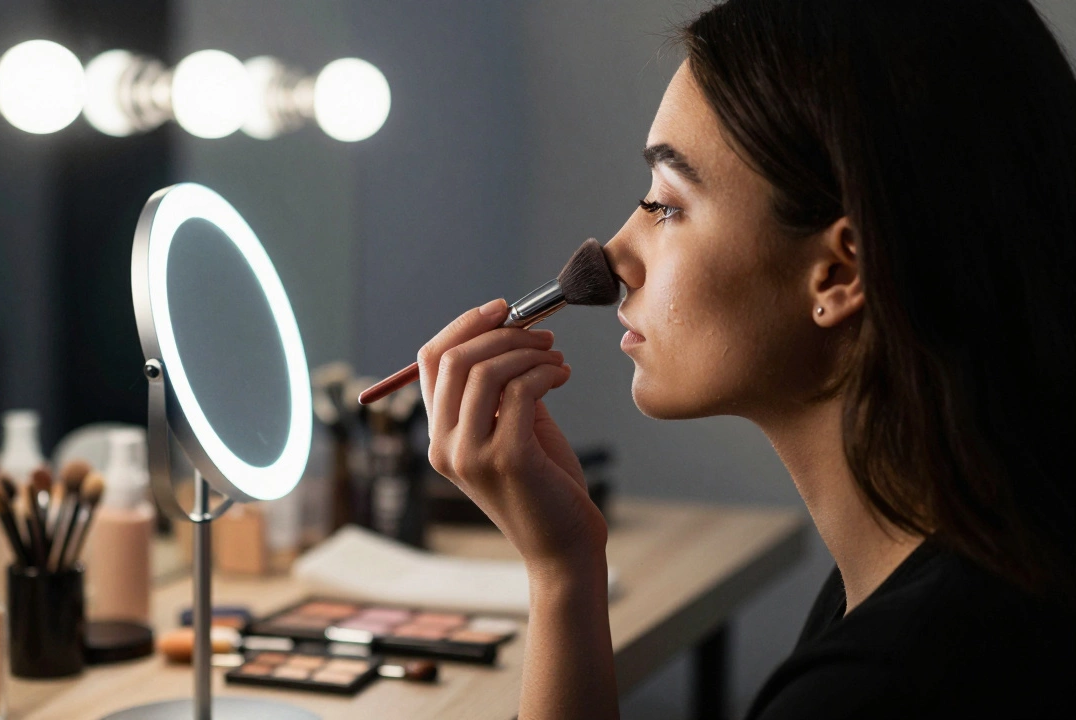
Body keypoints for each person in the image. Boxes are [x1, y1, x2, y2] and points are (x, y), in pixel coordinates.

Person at [415, 0, 1076, 717]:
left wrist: (557, 576)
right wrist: (565, 568)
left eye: (666, 204)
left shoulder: (880, 684)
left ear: (839, 273)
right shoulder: (976, 564)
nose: (614, 257)